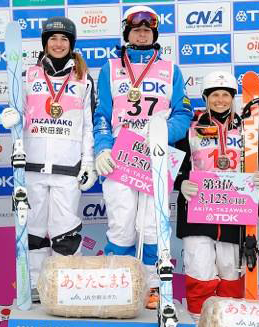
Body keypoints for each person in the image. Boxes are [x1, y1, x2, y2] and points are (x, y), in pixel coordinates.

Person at [93, 5, 193, 309]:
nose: (141, 34)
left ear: (154, 34)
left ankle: (153, 286)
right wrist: (102, 148)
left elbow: (184, 112)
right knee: (122, 224)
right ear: (127, 33)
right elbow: (101, 114)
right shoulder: (110, 68)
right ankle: (120, 284)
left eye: (147, 30)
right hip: (121, 156)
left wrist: (162, 131)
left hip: (155, 156)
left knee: (152, 225)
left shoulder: (170, 69)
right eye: (136, 30)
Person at [0, 17, 97, 302]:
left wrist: (88, 162)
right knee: (34, 231)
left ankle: (66, 289)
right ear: (44, 43)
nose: (58, 44)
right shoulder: (28, 75)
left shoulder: (82, 79)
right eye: (52, 39)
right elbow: (18, 113)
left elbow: (88, 125)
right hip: (32, 167)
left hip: (68, 169)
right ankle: (36, 288)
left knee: (66, 233)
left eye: (64, 39)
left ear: (71, 44)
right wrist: (12, 116)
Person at [174, 71, 259, 320]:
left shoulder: (248, 129)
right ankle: (199, 321)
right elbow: (171, 163)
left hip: (234, 214)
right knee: (199, 272)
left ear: (232, 97)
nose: (220, 100)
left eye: (225, 95)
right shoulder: (190, 127)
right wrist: (181, 182)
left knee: (230, 273)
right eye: (214, 95)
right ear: (206, 98)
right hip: (197, 212)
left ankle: (227, 321)